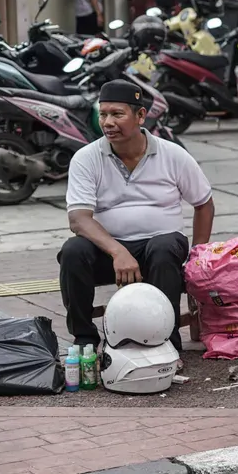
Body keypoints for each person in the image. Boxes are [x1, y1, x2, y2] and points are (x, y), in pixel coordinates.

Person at [59, 79, 215, 352]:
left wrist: (198, 254)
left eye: (117, 114)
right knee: (73, 251)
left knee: (164, 246)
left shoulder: (173, 155)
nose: (108, 122)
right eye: (103, 113)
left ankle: (166, 342)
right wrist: (118, 252)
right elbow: (79, 219)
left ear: (141, 116)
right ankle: (84, 338)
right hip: (110, 253)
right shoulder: (86, 158)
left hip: (162, 250)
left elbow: (204, 203)